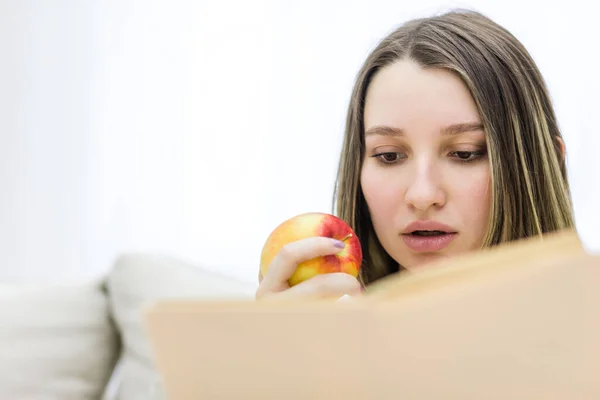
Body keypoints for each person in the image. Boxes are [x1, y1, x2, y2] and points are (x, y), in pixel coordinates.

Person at [255, 9, 576, 300]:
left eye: (465, 154)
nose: (423, 195)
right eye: (390, 156)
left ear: (549, 164)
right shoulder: (332, 347)